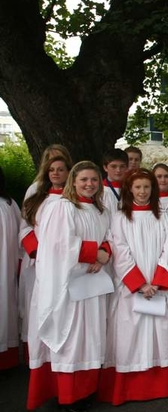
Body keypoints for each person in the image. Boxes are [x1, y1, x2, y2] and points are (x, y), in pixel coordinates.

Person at [26, 161, 111, 411]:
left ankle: (86, 391)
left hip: (92, 284)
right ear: (73, 181)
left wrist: (105, 250)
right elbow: (58, 244)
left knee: (91, 336)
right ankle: (67, 394)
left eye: (94, 180)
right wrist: (95, 252)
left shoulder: (101, 210)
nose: (89, 184)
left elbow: (110, 237)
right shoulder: (62, 207)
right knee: (71, 337)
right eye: (84, 179)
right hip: (69, 285)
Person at [99, 169, 168, 406]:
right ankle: (128, 389)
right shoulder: (120, 218)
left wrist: (157, 282)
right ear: (129, 190)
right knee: (129, 333)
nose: (143, 191)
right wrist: (139, 284)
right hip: (131, 287)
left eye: (147, 187)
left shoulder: (163, 216)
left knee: (157, 331)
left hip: (157, 287)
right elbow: (121, 252)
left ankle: (156, 386)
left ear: (153, 189)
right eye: (138, 187)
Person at [19, 156, 72, 357]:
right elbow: (25, 228)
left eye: (60, 169)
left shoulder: (74, 201)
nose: (56, 173)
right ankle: (41, 355)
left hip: (67, 263)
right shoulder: (37, 199)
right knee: (41, 306)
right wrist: (38, 251)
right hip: (40, 261)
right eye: (51, 170)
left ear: (69, 172)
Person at [0, 166, 20, 371]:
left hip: (5, 266)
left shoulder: (9, 203)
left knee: (5, 307)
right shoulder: (10, 203)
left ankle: (6, 360)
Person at [101, 148, 128, 215]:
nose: (118, 170)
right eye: (113, 166)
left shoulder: (131, 189)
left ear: (127, 167)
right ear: (105, 168)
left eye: (122, 166)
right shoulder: (100, 190)